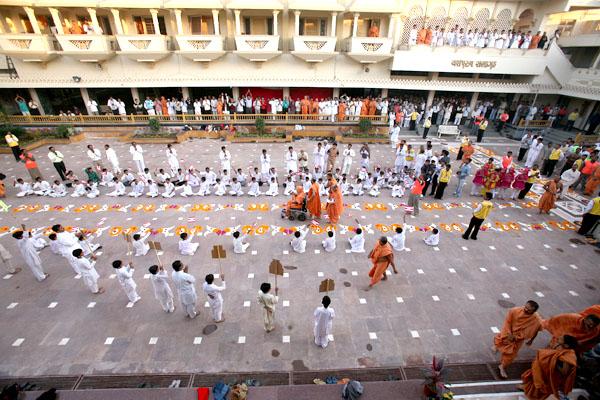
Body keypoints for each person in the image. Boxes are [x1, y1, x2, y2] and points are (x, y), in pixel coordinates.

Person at [493, 300, 542, 378]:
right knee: (501, 339)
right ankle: (497, 346)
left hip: (518, 339)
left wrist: (531, 340)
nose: (525, 310)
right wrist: (509, 333)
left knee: (511, 354)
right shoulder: (515, 310)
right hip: (508, 332)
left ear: (534, 311)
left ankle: (502, 366)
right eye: (525, 307)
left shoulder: (536, 320)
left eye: (529, 310)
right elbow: (508, 321)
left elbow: (535, 330)